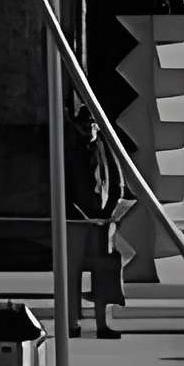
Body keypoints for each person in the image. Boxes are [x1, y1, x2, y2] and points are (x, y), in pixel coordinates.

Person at [64, 103, 123, 338]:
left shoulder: (105, 149)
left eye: (92, 125)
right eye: (85, 125)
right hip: (76, 223)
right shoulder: (69, 152)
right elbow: (62, 188)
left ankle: (102, 324)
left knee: (104, 274)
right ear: (77, 128)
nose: (89, 129)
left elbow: (118, 183)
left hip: (102, 223)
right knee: (72, 274)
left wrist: (109, 213)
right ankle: (71, 323)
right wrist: (80, 215)